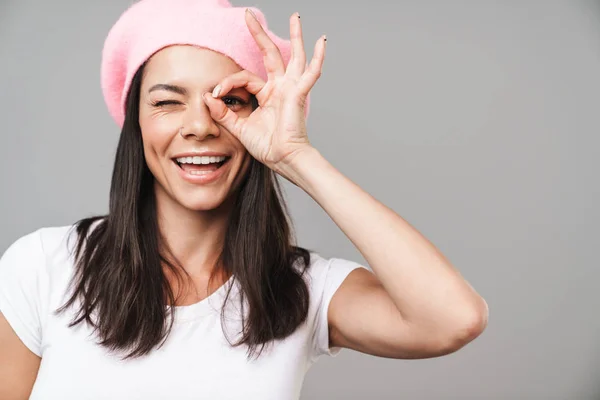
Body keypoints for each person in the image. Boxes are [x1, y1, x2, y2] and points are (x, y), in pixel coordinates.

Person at [0, 0, 488, 399]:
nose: (199, 125)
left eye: (230, 100)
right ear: (137, 124)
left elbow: (453, 319)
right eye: (168, 101)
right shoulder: (44, 266)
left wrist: (296, 157)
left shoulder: (302, 292)